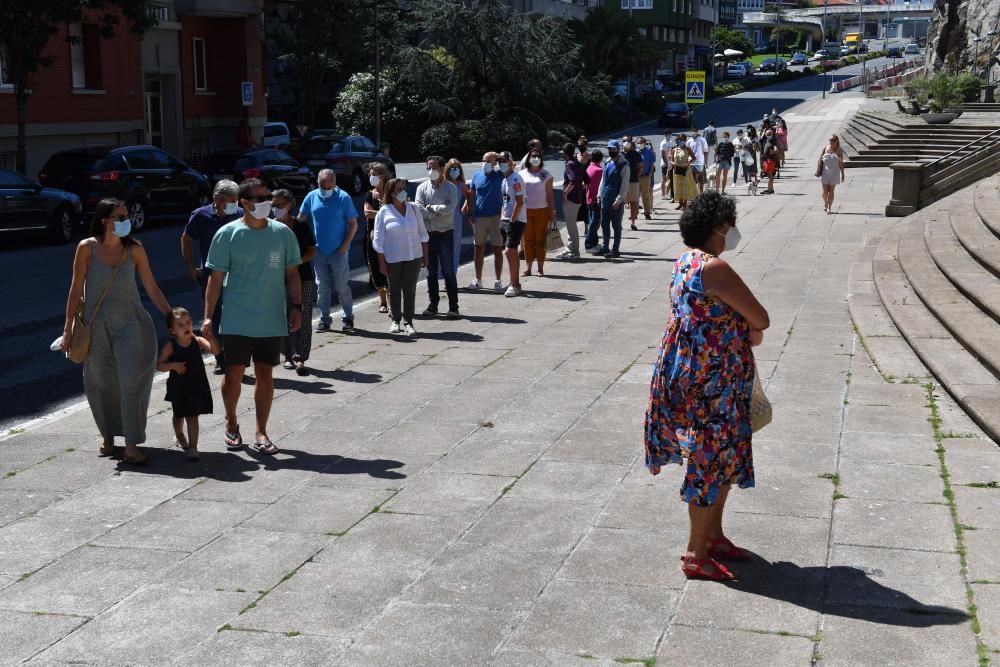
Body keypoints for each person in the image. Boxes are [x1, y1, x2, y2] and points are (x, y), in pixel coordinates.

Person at [644, 190, 769, 581]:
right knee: (709, 457)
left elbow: (709, 316)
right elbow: (761, 318)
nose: (732, 230)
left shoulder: (685, 262)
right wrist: (747, 327)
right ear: (718, 226)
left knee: (721, 453)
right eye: (729, 224)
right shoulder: (715, 268)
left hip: (692, 370)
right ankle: (695, 552)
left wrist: (740, 327)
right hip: (711, 379)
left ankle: (712, 536)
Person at [60, 198, 171, 465]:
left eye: (126, 216)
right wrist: (68, 329)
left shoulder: (135, 250)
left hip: (131, 323)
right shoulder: (87, 248)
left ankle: (132, 444)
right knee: (99, 382)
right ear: (104, 221)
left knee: (131, 380)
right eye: (120, 217)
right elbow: (76, 290)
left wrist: (170, 315)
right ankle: (108, 436)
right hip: (95, 326)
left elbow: (151, 287)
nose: (126, 221)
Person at [203, 178, 302, 456]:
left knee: (265, 374)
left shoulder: (282, 233)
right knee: (234, 373)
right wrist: (208, 316)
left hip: (270, 317)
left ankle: (261, 431)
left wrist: (296, 307)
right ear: (244, 203)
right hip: (236, 317)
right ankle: (232, 422)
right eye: (260, 199)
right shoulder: (227, 234)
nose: (266, 203)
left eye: (267, 197)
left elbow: (292, 273)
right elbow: (215, 279)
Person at [181, 179, 241, 374]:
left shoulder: (240, 214)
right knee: (213, 317)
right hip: (211, 275)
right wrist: (190, 267)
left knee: (235, 316)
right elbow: (186, 238)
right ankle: (220, 358)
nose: (235, 203)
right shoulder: (201, 216)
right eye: (231, 200)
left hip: (237, 275)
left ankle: (236, 356)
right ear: (217, 198)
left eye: (236, 199)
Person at [157, 306, 220, 460]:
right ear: (172, 331)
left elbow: (216, 351)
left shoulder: (197, 340)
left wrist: (211, 338)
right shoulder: (171, 346)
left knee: (192, 417)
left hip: (196, 386)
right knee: (178, 415)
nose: (186, 327)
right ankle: (179, 435)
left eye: (188, 323)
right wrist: (173, 365)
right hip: (178, 387)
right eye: (180, 325)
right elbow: (159, 365)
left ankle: (193, 447)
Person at [298, 168, 357, 333]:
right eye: (323, 186)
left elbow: (353, 223)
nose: (326, 190)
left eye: (329, 186)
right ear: (318, 183)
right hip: (319, 251)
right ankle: (324, 320)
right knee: (322, 287)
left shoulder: (343, 197)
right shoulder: (311, 197)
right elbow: (301, 219)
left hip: (339, 250)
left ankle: (348, 317)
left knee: (341, 285)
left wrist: (345, 245)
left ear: (335, 183)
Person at [373, 178, 429, 336]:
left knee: (410, 290)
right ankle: (396, 320)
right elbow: (378, 240)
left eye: (404, 189)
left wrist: (425, 256)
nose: (403, 192)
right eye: (399, 189)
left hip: (414, 256)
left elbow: (423, 234)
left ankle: (409, 322)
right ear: (391, 193)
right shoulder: (384, 211)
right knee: (394, 290)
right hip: (393, 258)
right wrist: (381, 261)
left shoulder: (414, 208)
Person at [273, 189, 317, 375]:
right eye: (273, 205)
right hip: (277, 279)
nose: (275, 209)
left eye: (280, 205)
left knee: (302, 315)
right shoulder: (270, 227)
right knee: (282, 316)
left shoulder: (300, 226)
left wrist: (298, 261)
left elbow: (312, 250)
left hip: (303, 277)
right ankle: (288, 355)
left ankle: (301, 356)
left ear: (289, 205)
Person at [415, 155, 459, 318]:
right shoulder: (422, 188)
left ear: (441, 169)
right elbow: (419, 209)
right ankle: (433, 304)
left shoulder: (451, 188)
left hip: (445, 234)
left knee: (448, 271)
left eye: (434, 167)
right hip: (428, 236)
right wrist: (435, 212)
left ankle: (453, 307)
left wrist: (431, 209)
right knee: (430, 272)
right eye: (428, 167)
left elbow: (449, 210)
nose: (430, 170)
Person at [465, 152, 505, 292]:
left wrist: (501, 158)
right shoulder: (476, 175)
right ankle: (478, 279)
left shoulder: (500, 175)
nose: (485, 163)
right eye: (484, 160)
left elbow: (510, 166)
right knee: (478, 248)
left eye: (489, 160)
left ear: (495, 163)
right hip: (479, 217)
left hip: (495, 217)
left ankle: (498, 280)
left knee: (497, 249)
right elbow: (472, 195)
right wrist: (470, 212)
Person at [518, 147, 556, 276]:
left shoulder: (546, 175)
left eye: (537, 156)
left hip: (542, 211)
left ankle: (540, 268)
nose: (535, 158)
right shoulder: (522, 174)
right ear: (528, 158)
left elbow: (550, 196)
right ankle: (528, 268)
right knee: (528, 241)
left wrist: (553, 213)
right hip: (526, 211)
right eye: (532, 156)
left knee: (540, 240)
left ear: (541, 159)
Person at [363, 164, 390, 314]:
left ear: (382, 175)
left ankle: (394, 300)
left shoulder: (390, 193)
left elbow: (396, 211)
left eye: (375, 174)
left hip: (390, 238)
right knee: (375, 268)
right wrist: (383, 213)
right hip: (371, 237)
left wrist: (378, 213)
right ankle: (383, 301)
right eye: (370, 174)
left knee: (391, 267)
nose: (372, 177)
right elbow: (367, 213)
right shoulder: (369, 194)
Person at [498, 151, 526, 297]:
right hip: (506, 220)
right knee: (510, 253)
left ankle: (515, 285)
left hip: (515, 220)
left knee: (510, 251)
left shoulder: (515, 178)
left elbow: (520, 201)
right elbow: (504, 200)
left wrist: (512, 219)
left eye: (504, 161)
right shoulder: (504, 180)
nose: (501, 164)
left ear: (510, 162)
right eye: (499, 161)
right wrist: (503, 217)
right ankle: (514, 283)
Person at [594, 140, 629, 259]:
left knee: (616, 225)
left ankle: (615, 249)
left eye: (614, 149)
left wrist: (619, 200)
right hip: (605, 198)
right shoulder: (607, 162)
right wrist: (599, 195)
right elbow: (603, 181)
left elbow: (625, 185)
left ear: (618, 149)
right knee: (604, 224)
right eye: (609, 149)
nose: (611, 151)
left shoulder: (624, 165)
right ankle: (605, 248)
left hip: (615, 200)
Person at [557, 143, 587, 259]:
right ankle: (570, 248)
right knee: (571, 224)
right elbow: (585, 179)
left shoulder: (570, 164)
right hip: (577, 197)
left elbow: (573, 181)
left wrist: (565, 194)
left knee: (571, 226)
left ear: (564, 153)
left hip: (571, 199)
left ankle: (574, 252)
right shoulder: (576, 162)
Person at [445, 159, 470, 274]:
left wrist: (464, 208)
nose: (454, 170)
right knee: (443, 246)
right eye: (451, 168)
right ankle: (441, 273)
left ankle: (451, 274)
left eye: (456, 168)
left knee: (455, 246)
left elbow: (469, 196)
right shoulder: (443, 183)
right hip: (443, 218)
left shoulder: (461, 185)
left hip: (456, 217)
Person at [819, 134, 846, 214]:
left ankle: (829, 208)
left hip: (835, 173)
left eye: (833, 140)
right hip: (825, 172)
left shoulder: (839, 150)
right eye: (830, 140)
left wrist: (843, 174)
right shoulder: (825, 149)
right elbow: (820, 160)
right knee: (824, 192)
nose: (831, 142)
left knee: (831, 191)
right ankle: (825, 203)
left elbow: (841, 163)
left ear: (836, 141)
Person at [584, 149, 604, 253]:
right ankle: (589, 244)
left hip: (588, 198)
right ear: (601, 159)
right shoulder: (599, 170)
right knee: (594, 223)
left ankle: (594, 243)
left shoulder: (589, 167)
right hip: (595, 200)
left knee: (593, 221)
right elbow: (598, 187)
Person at [621, 136, 643, 230]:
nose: (626, 142)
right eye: (624, 141)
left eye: (628, 141)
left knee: (634, 203)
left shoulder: (636, 154)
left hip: (634, 182)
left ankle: (633, 223)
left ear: (631, 142)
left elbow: (641, 166)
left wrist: (637, 176)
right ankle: (619, 223)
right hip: (622, 183)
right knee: (621, 203)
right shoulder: (620, 154)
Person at [672, 134, 698, 210]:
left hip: (685, 170)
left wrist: (688, 163)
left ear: (684, 140)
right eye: (679, 139)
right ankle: (680, 203)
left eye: (682, 139)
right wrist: (674, 164)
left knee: (685, 187)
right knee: (678, 186)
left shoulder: (687, 149)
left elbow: (694, 158)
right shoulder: (674, 149)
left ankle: (685, 204)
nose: (680, 141)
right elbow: (670, 160)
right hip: (677, 170)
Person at [637, 137, 656, 222]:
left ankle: (647, 213)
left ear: (644, 143)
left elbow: (652, 164)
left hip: (645, 177)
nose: (639, 144)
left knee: (645, 195)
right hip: (636, 177)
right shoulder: (635, 153)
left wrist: (649, 174)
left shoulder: (650, 153)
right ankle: (634, 214)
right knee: (635, 196)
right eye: (638, 143)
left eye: (641, 142)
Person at [687, 128, 710, 195]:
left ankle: (701, 194)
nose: (693, 132)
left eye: (694, 131)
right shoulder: (689, 141)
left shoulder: (702, 140)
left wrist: (705, 161)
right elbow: (687, 152)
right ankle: (693, 194)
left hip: (700, 163)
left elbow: (705, 151)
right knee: (692, 180)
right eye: (692, 131)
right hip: (691, 163)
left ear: (697, 132)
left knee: (700, 179)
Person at [760, 129, 780, 195]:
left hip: (770, 160)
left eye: (769, 134)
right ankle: (771, 189)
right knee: (770, 176)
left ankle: (769, 190)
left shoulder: (773, 141)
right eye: (767, 134)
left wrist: (772, 152)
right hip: (766, 160)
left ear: (772, 134)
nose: (768, 135)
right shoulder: (766, 140)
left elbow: (776, 150)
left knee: (770, 176)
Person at [660, 130, 674, 200]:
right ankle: (663, 195)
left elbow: (672, 152)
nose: (669, 135)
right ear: (665, 135)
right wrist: (667, 164)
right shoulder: (663, 143)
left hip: (670, 162)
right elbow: (662, 155)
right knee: (664, 179)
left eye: (670, 134)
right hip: (664, 164)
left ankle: (667, 192)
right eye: (668, 134)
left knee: (671, 178)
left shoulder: (671, 142)